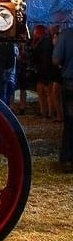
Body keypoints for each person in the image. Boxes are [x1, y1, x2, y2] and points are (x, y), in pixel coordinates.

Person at [52, 27, 73, 173]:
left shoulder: (66, 35)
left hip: (71, 82)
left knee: (71, 123)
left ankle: (68, 159)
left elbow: (56, 59)